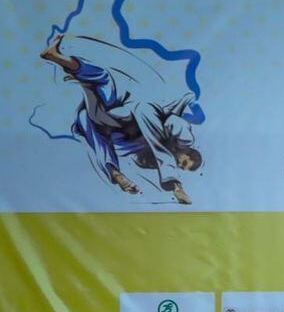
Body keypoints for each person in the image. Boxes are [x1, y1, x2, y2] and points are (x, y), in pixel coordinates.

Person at [39, 36, 201, 204]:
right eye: (182, 161)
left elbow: (104, 145)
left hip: (108, 123)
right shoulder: (184, 138)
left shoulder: (151, 156)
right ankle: (58, 59)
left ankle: (117, 174)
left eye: (181, 167)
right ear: (187, 151)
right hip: (121, 116)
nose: (178, 164)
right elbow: (173, 121)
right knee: (102, 80)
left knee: (99, 102)